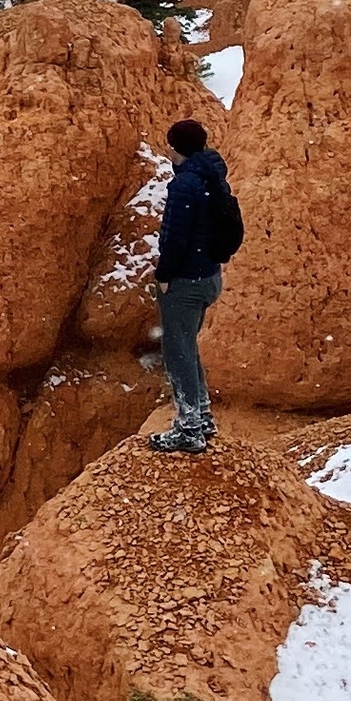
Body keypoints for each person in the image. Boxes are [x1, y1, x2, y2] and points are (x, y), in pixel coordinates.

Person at [146, 115, 240, 454]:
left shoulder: (185, 185)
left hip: (186, 279)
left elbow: (174, 238)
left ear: (177, 150)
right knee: (187, 346)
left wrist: (165, 275)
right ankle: (201, 415)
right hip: (210, 275)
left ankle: (189, 429)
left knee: (177, 352)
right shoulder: (214, 176)